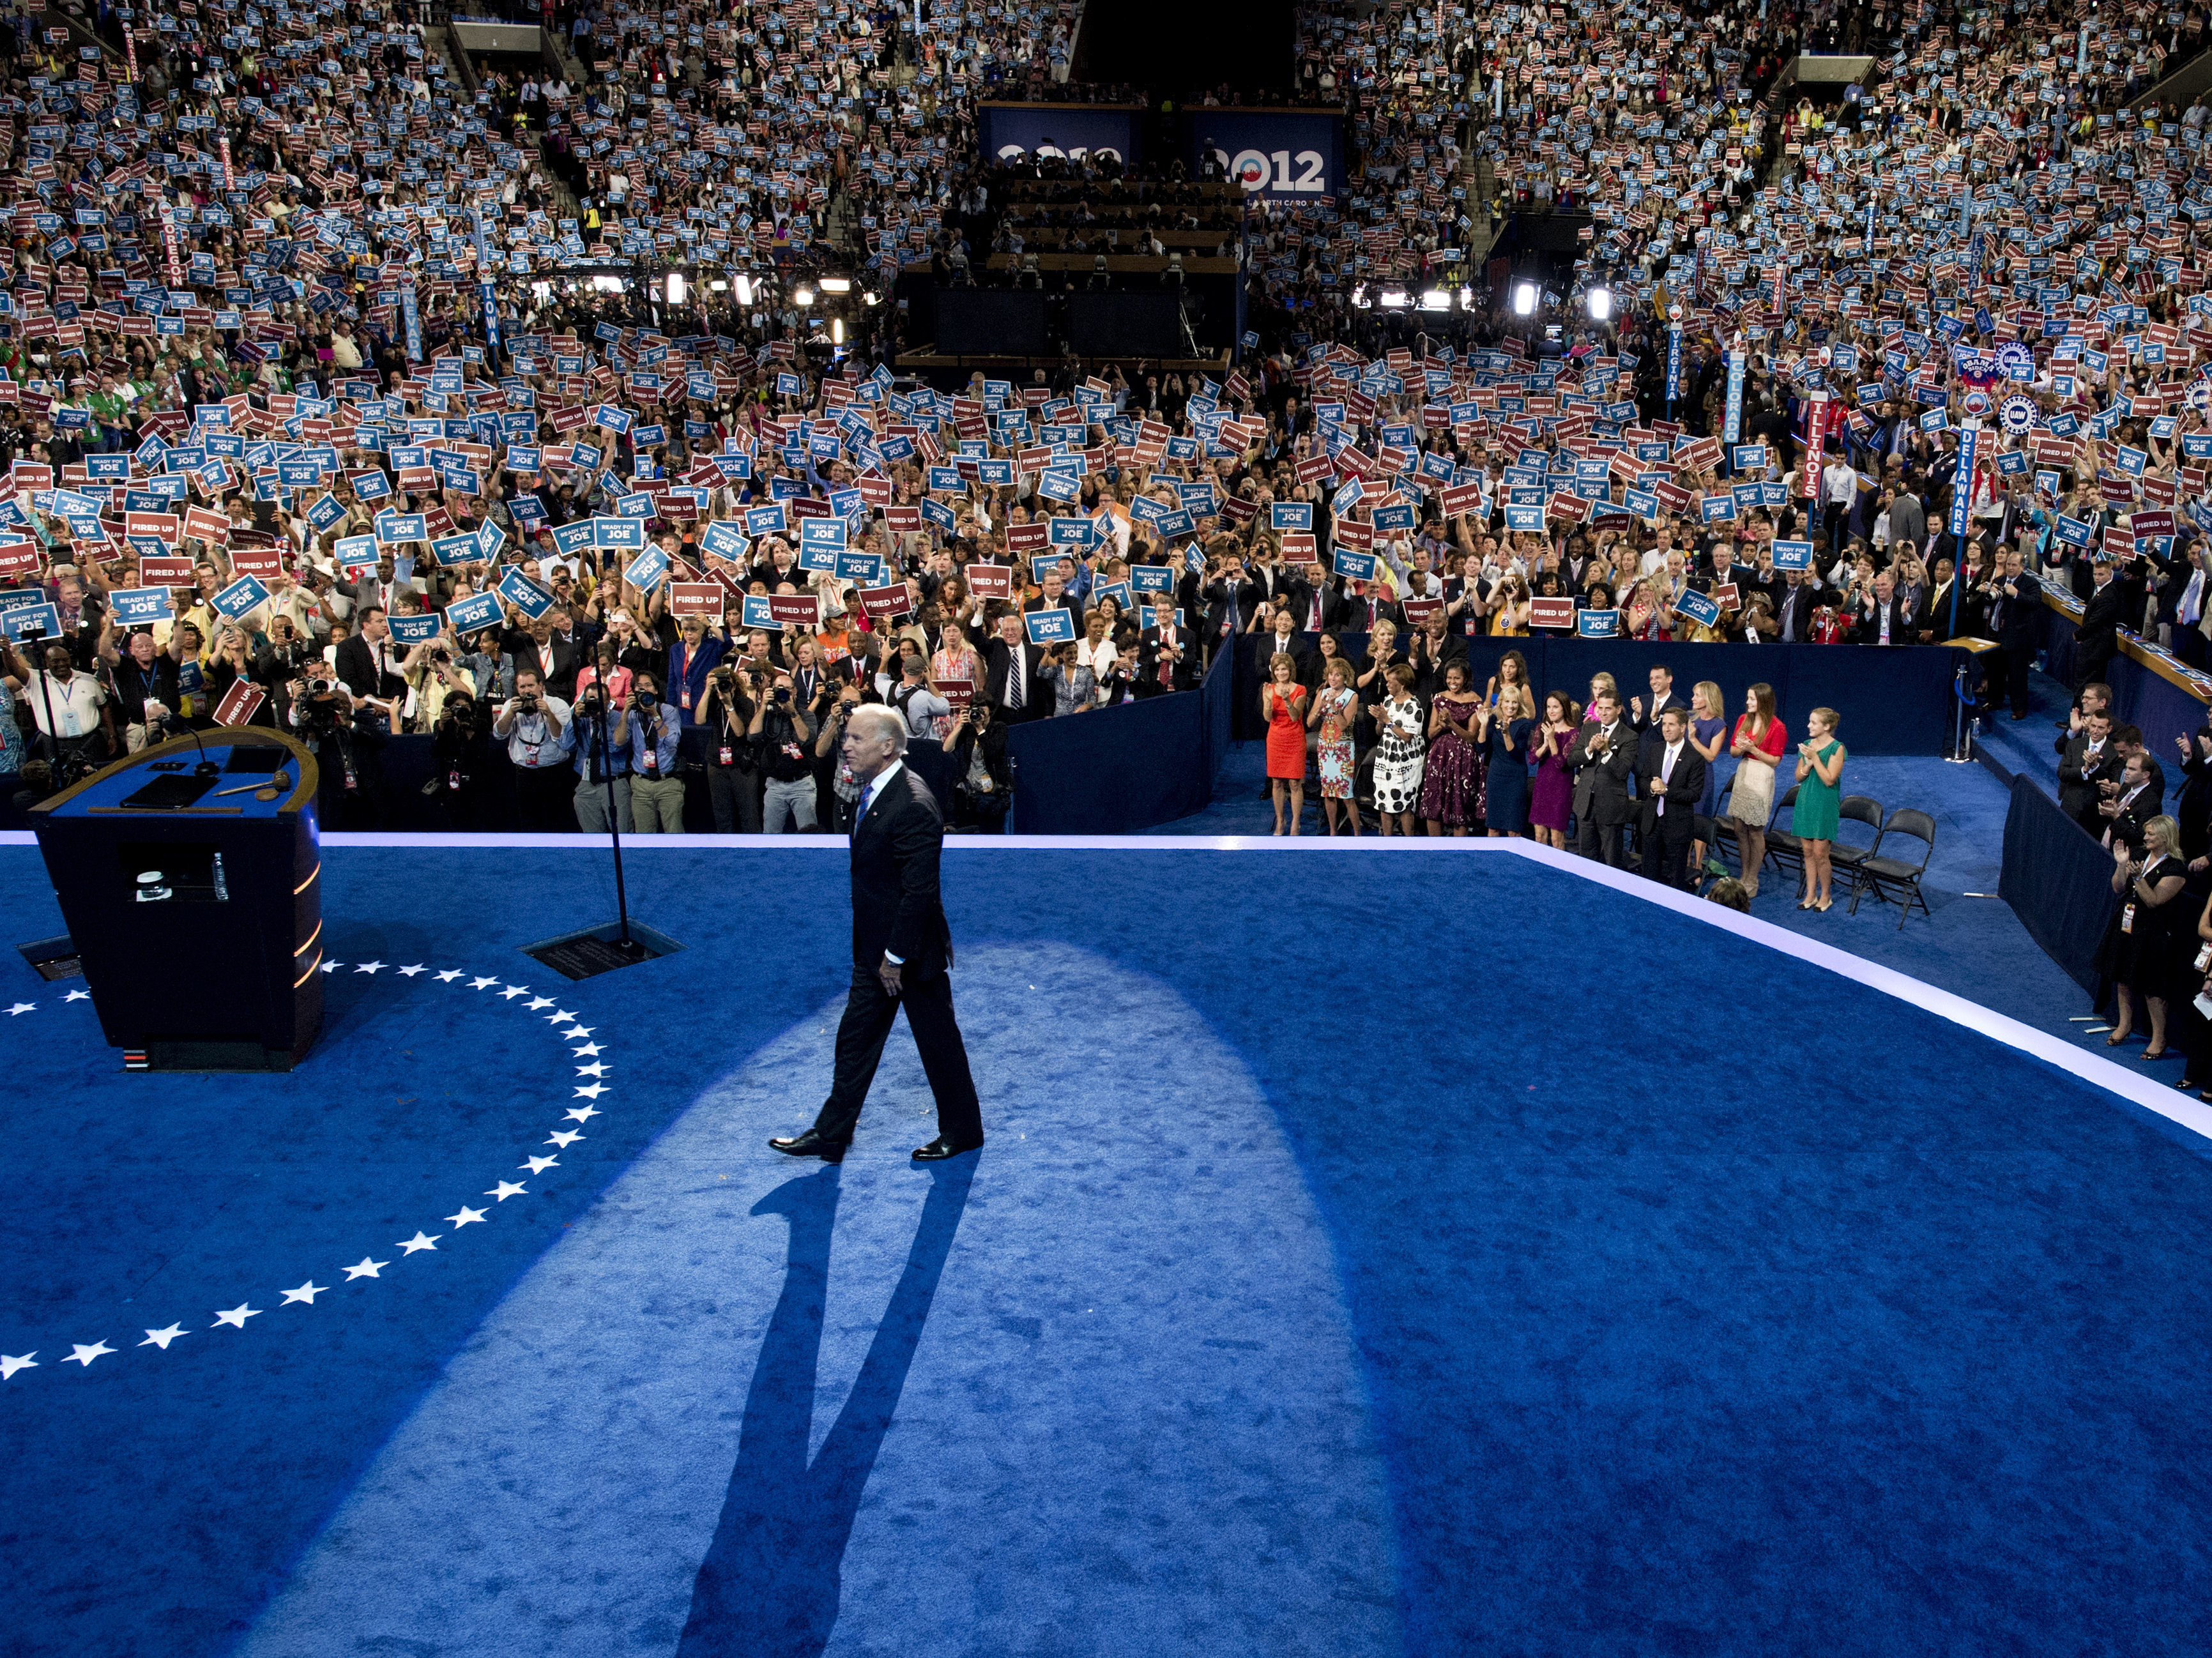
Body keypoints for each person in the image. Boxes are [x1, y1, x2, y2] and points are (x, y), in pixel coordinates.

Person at [770, 704, 983, 1164]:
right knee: (854, 1040)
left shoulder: (912, 804)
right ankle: (831, 1134)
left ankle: (963, 1132)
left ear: (887, 747)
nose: (845, 746)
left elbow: (919, 892)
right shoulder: (871, 792)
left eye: (855, 739)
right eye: (846, 737)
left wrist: (895, 958)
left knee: (937, 1044)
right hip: (875, 952)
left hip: (906, 956)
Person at [2098, 816, 2190, 1060]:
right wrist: (2121, 865)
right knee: (2123, 978)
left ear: (2165, 837)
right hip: (2127, 925)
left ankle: (2159, 1038)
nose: (2146, 837)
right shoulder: (2138, 854)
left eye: (2151, 834)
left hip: (2154, 933)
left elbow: (2154, 901)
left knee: (2152, 987)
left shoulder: (2175, 868)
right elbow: (2118, 888)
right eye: (2146, 833)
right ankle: (2124, 1025)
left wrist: (2139, 878)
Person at [494, 665, 573, 832]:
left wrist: (548, 714)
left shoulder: (557, 704)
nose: (527, 690)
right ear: (517, 689)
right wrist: (511, 714)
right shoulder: (511, 704)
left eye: (531, 685)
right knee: (529, 823)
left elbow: (565, 741)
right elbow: (499, 735)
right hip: (525, 774)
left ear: (541, 686)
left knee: (557, 822)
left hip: (554, 773)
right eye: (522, 687)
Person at [1636, 706, 1707, 888]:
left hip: (1677, 827)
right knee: (1649, 876)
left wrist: (1666, 791)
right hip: (1652, 823)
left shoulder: (1694, 758)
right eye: (1664, 724)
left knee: (1675, 880)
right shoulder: (1655, 749)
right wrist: (1652, 788)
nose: (1666, 729)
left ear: (1683, 728)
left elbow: (1694, 794)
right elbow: (1643, 779)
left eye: (1671, 725)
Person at [1728, 682, 1787, 897]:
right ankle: (1743, 874)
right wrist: (1742, 749)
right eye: (1748, 698)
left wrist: (1753, 749)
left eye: (1752, 699)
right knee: (1739, 827)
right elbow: (1733, 751)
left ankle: (1752, 878)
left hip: (1761, 776)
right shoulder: (1743, 721)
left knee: (1755, 830)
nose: (1748, 702)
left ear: (1763, 701)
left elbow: (1775, 761)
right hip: (1743, 773)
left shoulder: (1777, 727)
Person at [1568, 688, 1636, 866]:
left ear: (1619, 709)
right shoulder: (1589, 728)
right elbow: (1572, 759)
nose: (1603, 713)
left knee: (1611, 860)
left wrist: (1606, 751)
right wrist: (1589, 749)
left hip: (1611, 807)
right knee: (1586, 859)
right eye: (1601, 708)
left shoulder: (1629, 737)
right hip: (1586, 804)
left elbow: (1622, 771)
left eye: (1608, 709)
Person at [1419, 658, 1483, 835]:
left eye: (1457, 679)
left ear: (1466, 679)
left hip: (1464, 759)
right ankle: (1435, 849)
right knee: (1434, 802)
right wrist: (1442, 725)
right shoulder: (1439, 699)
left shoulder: (1475, 701)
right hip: (1439, 756)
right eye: (1449, 678)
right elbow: (1431, 733)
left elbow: (1472, 737)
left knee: (1460, 804)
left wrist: (1451, 724)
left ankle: (1458, 851)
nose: (1452, 682)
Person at [1792, 708, 1847, 910]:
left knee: (1821, 854)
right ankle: (1810, 894)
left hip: (1824, 804)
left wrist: (1815, 758)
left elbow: (1829, 779)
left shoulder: (1837, 748)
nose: (1809, 726)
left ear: (1827, 727)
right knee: (1807, 851)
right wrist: (1806, 765)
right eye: (1810, 721)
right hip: (1806, 802)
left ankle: (1826, 896)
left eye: (1813, 723)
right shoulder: (1807, 745)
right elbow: (1798, 777)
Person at [1370, 663, 1426, 835]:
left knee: (1404, 802)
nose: (1387, 685)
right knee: (1384, 800)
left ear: (1402, 684)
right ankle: (1386, 842)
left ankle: (1408, 844)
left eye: (1390, 682)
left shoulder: (1414, 705)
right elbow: (1379, 732)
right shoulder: (1387, 700)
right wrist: (1380, 721)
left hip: (1406, 760)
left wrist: (1387, 720)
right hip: (1386, 757)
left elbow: (1407, 736)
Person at [1308, 657, 1362, 835]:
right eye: (1331, 674)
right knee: (1328, 793)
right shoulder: (1323, 693)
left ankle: (1357, 834)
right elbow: (1309, 722)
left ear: (1345, 677)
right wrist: (1320, 707)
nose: (1333, 678)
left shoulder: (1352, 696)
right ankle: (1332, 832)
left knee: (1346, 795)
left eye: (1337, 675)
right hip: (1326, 748)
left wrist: (1332, 706)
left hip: (1343, 749)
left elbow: (1344, 725)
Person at [627, 671, 685, 833]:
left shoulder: (668, 711)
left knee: (674, 834)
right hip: (641, 785)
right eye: (639, 687)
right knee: (644, 837)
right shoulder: (632, 714)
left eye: (648, 686)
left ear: (656, 690)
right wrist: (625, 712)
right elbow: (619, 742)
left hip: (668, 782)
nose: (644, 690)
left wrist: (655, 715)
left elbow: (672, 743)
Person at [1260, 652, 1309, 835]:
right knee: (1277, 782)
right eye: (1278, 670)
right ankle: (1281, 820)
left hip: (1294, 738)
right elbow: (1267, 718)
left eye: (1284, 669)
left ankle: (1296, 822)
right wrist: (1268, 700)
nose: (1281, 673)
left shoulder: (1300, 690)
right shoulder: (1269, 689)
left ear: (1290, 670)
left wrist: (1287, 699)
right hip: (1275, 739)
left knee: (1295, 783)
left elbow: (1295, 716)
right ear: (1274, 672)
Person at [1686, 680, 1728, 872]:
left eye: (1697, 695)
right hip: (1684, 774)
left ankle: (1697, 866)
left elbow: (1711, 756)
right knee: (1684, 819)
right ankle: (1684, 862)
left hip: (1703, 777)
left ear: (1709, 698)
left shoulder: (1719, 725)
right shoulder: (1688, 717)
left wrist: (1693, 739)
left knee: (1699, 819)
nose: (1693, 699)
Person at [1483, 684, 1533, 838]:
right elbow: (1481, 747)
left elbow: (1516, 753)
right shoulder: (1493, 720)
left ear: (1519, 705)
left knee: (1513, 829)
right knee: (1493, 827)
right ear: (1501, 703)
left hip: (1515, 779)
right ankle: (1492, 862)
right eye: (1507, 702)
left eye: (1515, 702)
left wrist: (1506, 733)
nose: (1510, 706)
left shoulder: (1524, 724)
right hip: (1496, 777)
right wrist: (1483, 725)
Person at [1529, 691, 1577, 851]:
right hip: (1542, 786)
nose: (1551, 711)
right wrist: (1544, 745)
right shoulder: (1541, 728)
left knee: (1556, 839)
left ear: (1564, 709)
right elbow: (1532, 759)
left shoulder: (1573, 733)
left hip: (1560, 788)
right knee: (1539, 836)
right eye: (1549, 707)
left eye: (1555, 707)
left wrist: (1552, 739)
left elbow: (1561, 763)